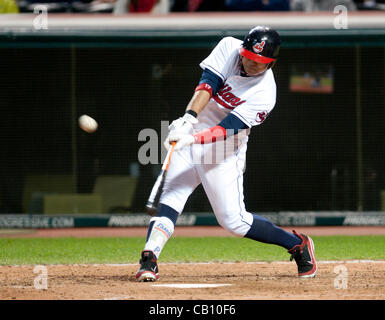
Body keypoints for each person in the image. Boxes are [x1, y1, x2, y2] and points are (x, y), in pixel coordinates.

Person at [136, 26, 317, 282]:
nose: (252, 63)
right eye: (248, 57)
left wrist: (191, 138)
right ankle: (149, 258)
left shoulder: (265, 94)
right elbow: (206, 86)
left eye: (260, 62)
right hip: (192, 132)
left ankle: (297, 244)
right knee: (171, 196)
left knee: (234, 222)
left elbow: (225, 129)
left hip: (222, 149)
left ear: (272, 63)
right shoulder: (229, 47)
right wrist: (188, 119)